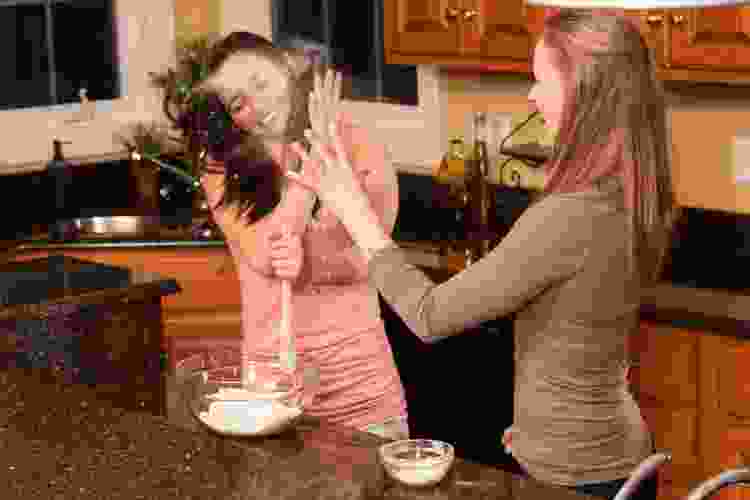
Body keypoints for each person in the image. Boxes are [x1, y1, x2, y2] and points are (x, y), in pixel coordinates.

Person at [281, 9, 677, 500]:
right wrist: (538, 427)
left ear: (582, 94)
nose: (532, 97)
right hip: (621, 457)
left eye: (540, 82)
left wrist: (351, 207)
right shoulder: (635, 195)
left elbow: (429, 315)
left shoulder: (569, 216)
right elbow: (583, 336)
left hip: (576, 479)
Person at [192, 32, 409, 440]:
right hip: (273, 393)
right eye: (239, 103)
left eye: (260, 83)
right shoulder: (222, 169)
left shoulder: (362, 147)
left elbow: (377, 259)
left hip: (362, 389)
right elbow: (270, 257)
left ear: (286, 68)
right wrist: (313, 158)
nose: (257, 107)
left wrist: (309, 261)